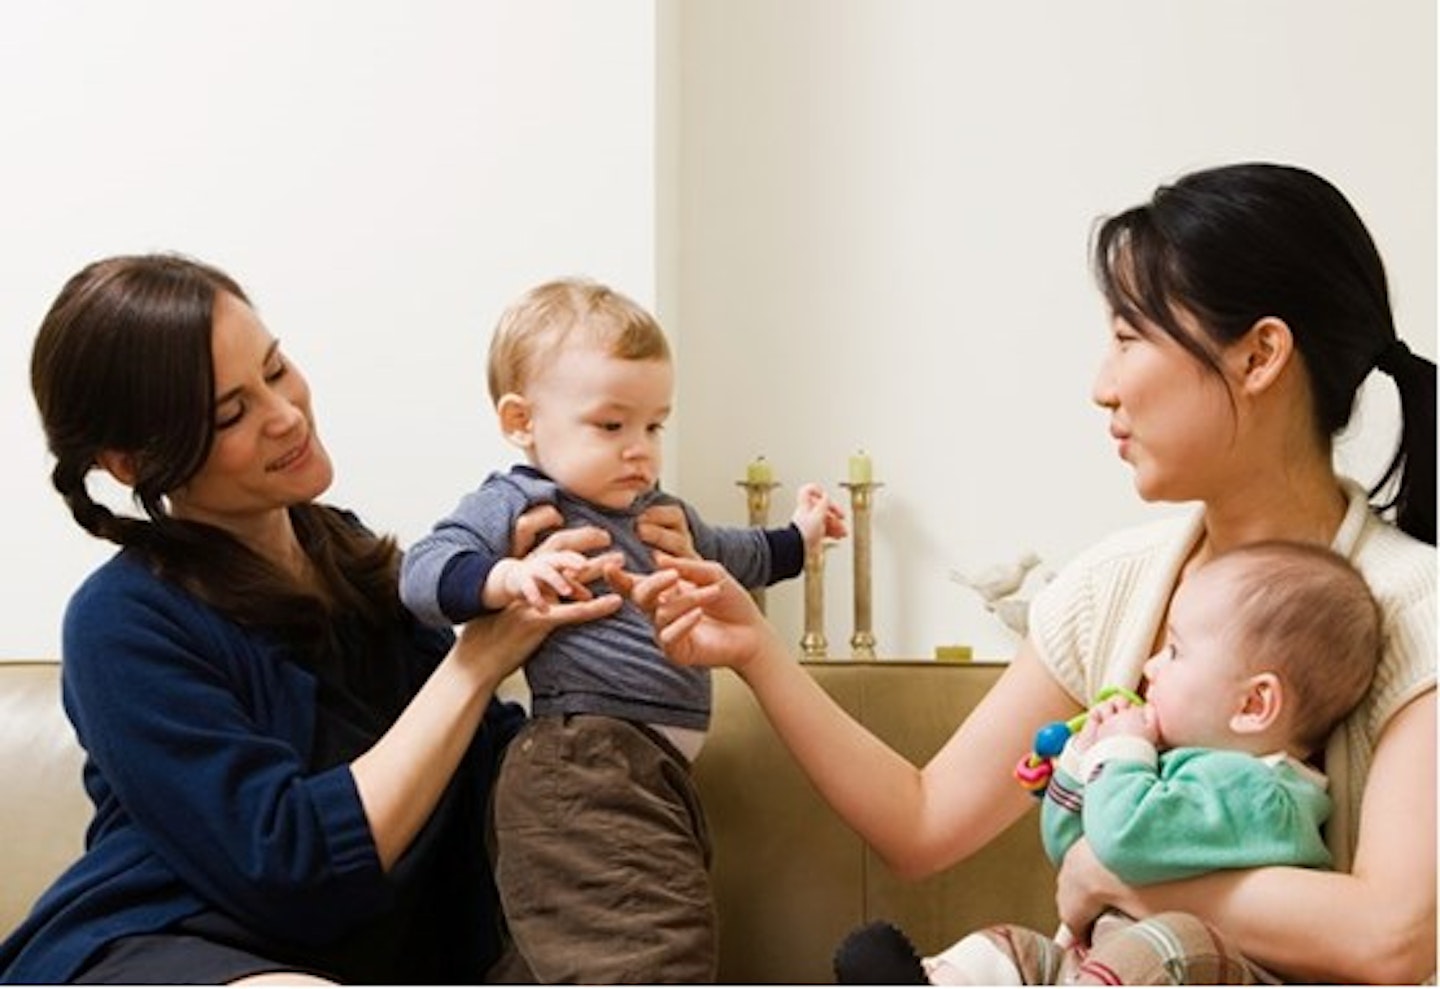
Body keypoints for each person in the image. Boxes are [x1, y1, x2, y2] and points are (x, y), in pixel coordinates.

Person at [617, 162, 1436, 984]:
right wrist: (759, 652)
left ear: (1259, 355)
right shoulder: (1112, 587)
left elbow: (1396, 940)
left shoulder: (1419, 609)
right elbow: (923, 819)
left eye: (1127, 338)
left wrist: (1114, 876)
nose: (1101, 388)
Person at [0, 254, 625, 985]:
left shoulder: (357, 561)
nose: (286, 414)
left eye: (275, 368)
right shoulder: (120, 620)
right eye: (232, 411)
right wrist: (478, 657)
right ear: (134, 462)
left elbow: (484, 766)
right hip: (162, 946)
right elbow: (295, 869)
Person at [397, 277, 846, 983]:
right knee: (652, 953)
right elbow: (422, 572)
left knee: (584, 952)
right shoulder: (524, 500)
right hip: (585, 759)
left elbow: (740, 554)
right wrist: (504, 578)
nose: (640, 449)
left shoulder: (659, 511)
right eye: (611, 426)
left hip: (648, 769)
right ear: (522, 421)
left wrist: (803, 534)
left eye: (654, 425)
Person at [833, 540, 1382, 984]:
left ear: (1252, 704)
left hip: (1210, 971)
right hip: (1101, 964)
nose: (1150, 664)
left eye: (1176, 652)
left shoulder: (1265, 794)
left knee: (1170, 944)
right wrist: (1081, 762)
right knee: (1010, 951)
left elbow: (1122, 839)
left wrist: (1123, 752)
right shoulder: (1172, 766)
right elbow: (1075, 846)